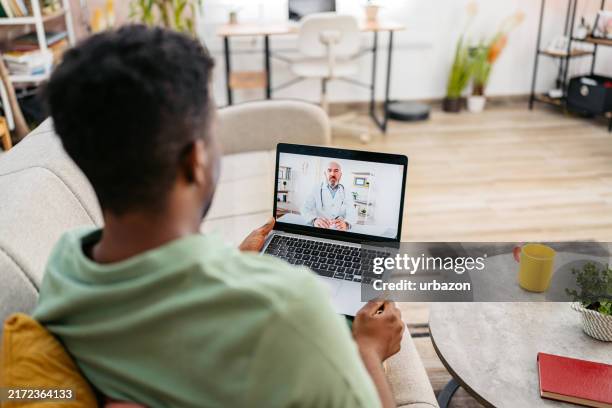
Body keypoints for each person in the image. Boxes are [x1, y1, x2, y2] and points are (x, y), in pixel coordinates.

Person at [33, 26, 405, 408]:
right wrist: (369, 352)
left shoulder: (64, 267)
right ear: (195, 161)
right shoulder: (287, 306)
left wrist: (238, 262)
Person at [301, 161, 358, 231]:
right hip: (320, 228)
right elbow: (305, 209)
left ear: (340, 174)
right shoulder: (316, 189)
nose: (332, 174)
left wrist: (346, 224)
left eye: (336, 171)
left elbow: (353, 213)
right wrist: (314, 220)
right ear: (325, 174)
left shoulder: (347, 192)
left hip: (339, 230)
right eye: (329, 170)